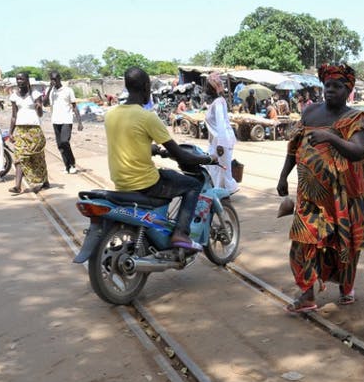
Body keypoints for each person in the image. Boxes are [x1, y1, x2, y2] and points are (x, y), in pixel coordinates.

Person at [275, 63, 364, 312]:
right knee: (303, 241)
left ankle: (346, 286)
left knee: (346, 242)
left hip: (344, 196)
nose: (330, 90)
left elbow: (357, 151)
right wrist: (283, 176)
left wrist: (331, 137)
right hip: (309, 195)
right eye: (327, 85)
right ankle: (307, 294)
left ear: (348, 90)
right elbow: (293, 148)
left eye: (337, 86)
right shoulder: (310, 113)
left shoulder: (355, 118)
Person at [104, 67, 219, 251]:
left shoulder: (110, 115)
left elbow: (129, 141)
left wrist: (152, 149)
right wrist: (206, 159)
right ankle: (180, 233)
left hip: (121, 182)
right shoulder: (147, 117)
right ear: (145, 87)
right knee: (192, 185)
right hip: (145, 183)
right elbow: (179, 154)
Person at [7, 72, 49, 195]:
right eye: (18, 79)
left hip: (34, 130)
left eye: (22, 78)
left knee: (37, 156)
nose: (20, 81)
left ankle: (44, 180)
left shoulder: (35, 94)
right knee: (20, 156)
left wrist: (39, 107)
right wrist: (11, 132)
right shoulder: (14, 96)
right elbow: (14, 116)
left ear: (27, 80)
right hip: (20, 130)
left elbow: (40, 114)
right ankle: (17, 186)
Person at [43, 71, 83, 174]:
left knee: (65, 141)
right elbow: (45, 103)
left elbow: (74, 106)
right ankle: (67, 166)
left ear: (59, 79)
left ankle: (72, 163)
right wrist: (49, 90)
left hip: (66, 119)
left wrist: (79, 122)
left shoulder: (68, 90)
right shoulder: (49, 91)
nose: (53, 81)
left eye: (55, 79)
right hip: (55, 120)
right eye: (51, 79)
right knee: (60, 145)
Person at [202, 72, 237, 192]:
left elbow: (221, 124)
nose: (205, 89)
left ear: (213, 88)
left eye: (207, 86)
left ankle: (224, 191)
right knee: (213, 166)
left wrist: (221, 145)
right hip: (216, 141)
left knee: (223, 168)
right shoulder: (215, 103)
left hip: (222, 141)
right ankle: (219, 190)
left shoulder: (218, 103)